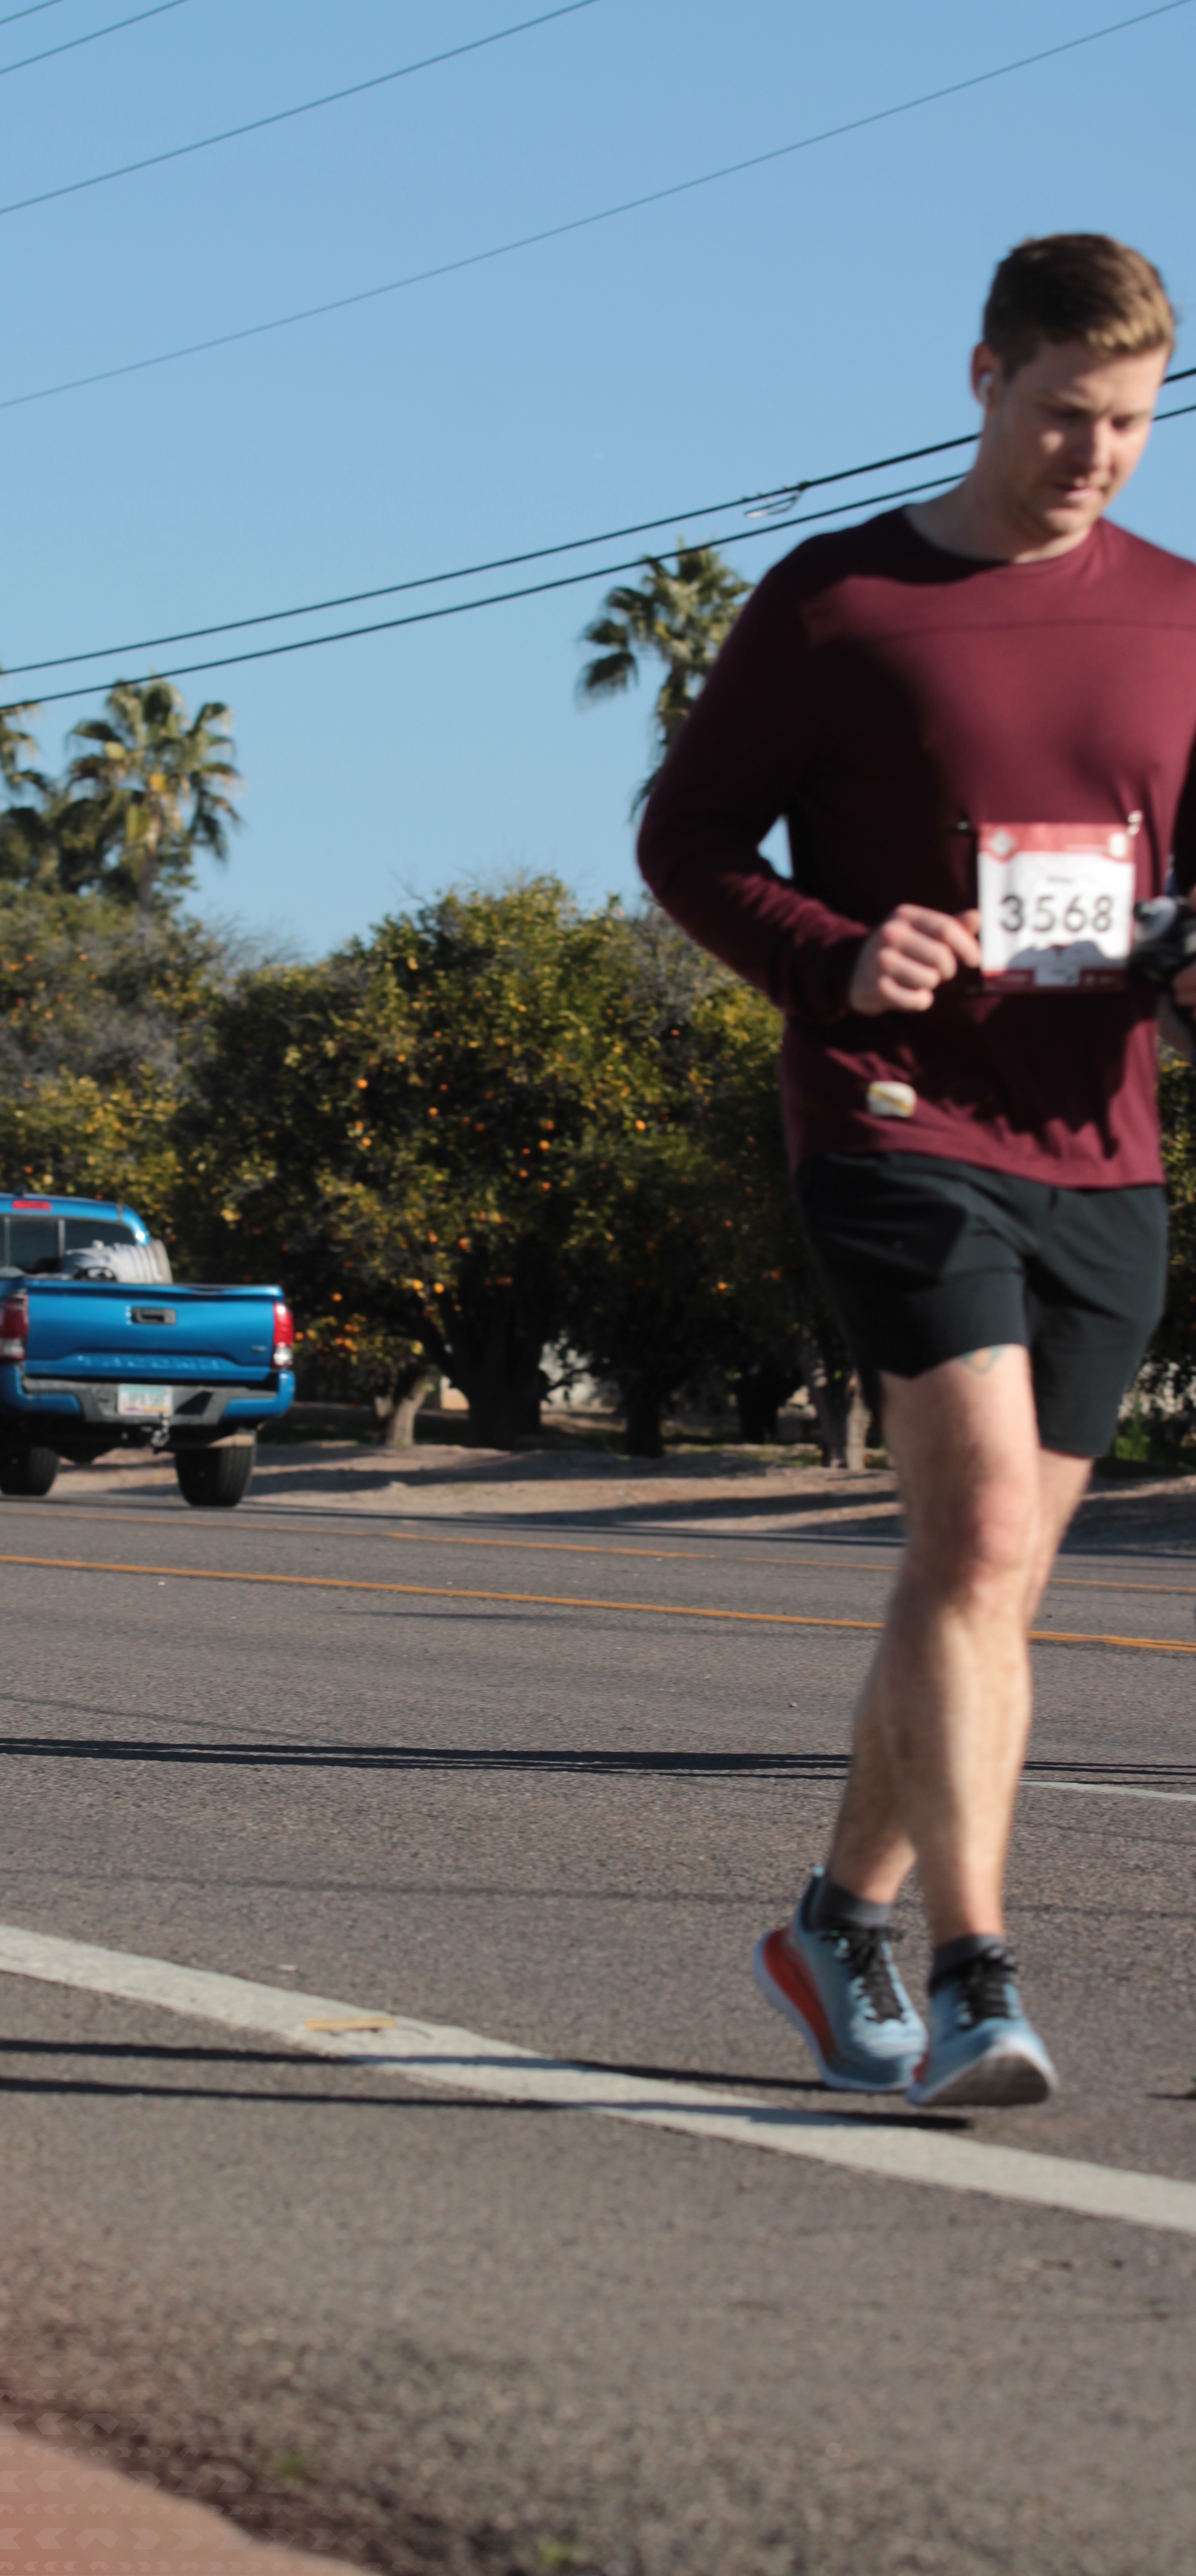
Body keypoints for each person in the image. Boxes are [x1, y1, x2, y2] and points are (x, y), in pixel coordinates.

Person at [637, 234, 1196, 2109]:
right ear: (984, 378)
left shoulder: (1183, 617)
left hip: (1101, 1145)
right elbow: (688, 837)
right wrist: (832, 951)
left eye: (1131, 424)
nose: (1094, 456)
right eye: (1065, 415)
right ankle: (974, 1977)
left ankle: (834, 1922)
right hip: (893, 1118)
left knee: (993, 1586)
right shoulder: (840, 603)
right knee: (967, 1542)